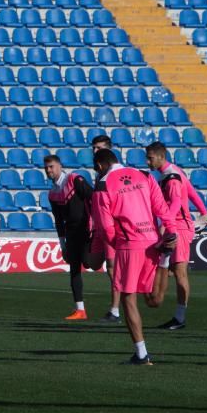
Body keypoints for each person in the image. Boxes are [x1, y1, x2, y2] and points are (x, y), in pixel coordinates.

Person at [91, 149, 178, 365]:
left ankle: (141, 354)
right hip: (151, 240)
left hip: (129, 245)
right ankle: (165, 260)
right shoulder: (145, 175)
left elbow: (105, 227)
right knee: (154, 300)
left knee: (128, 299)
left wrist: (117, 245)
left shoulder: (102, 185)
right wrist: (171, 230)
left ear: (101, 165)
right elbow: (161, 206)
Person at [144, 142, 198, 329]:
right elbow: (191, 192)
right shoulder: (171, 172)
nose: (148, 161)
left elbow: (175, 203)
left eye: (150, 158)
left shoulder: (171, 177)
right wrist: (204, 211)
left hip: (179, 227)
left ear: (161, 157)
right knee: (174, 270)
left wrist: (166, 224)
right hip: (175, 226)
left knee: (180, 273)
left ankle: (180, 318)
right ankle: (177, 315)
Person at [44, 154, 93, 320]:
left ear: (59, 166)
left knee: (89, 262)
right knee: (74, 270)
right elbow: (58, 221)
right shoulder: (52, 193)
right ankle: (80, 309)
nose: (49, 170)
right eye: (46, 168)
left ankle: (117, 301)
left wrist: (98, 226)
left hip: (87, 229)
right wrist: (62, 244)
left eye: (51, 166)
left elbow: (93, 198)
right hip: (71, 233)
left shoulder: (74, 180)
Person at [89, 135, 122, 323]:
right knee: (93, 263)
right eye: (94, 148)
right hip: (99, 226)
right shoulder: (99, 173)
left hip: (111, 225)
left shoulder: (115, 174)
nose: (95, 151)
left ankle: (115, 310)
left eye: (99, 148)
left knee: (112, 267)